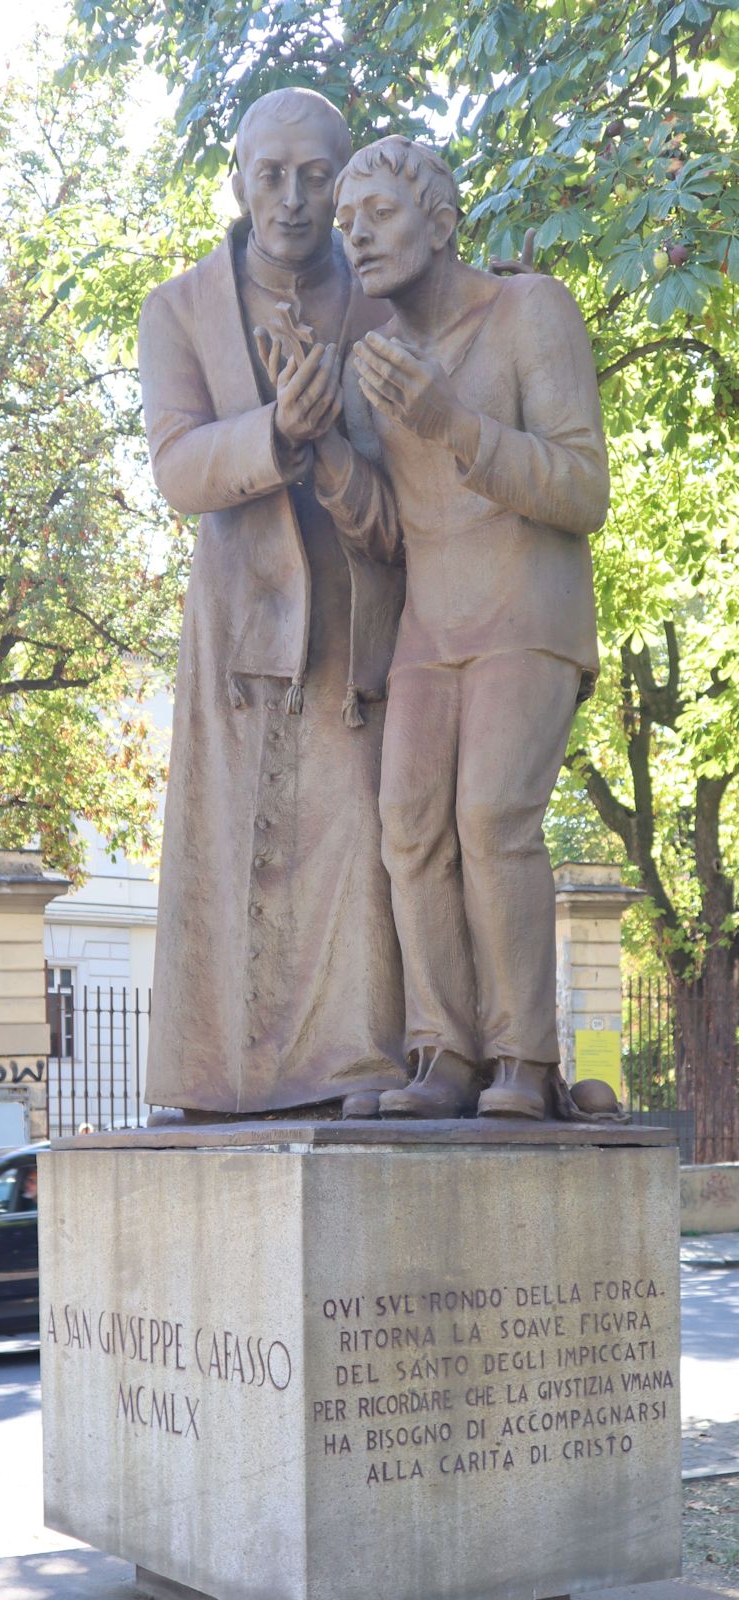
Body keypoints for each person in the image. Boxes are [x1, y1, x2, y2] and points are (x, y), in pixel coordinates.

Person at [315, 137, 609, 1120]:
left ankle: (523, 1057)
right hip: (428, 621)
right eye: (344, 223)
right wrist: (312, 434)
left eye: (378, 215)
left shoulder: (533, 311)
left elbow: (580, 487)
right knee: (407, 827)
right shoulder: (372, 364)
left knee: (489, 816)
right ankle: (444, 1053)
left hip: (527, 604)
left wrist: (457, 425)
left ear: (440, 223)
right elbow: (385, 525)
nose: (354, 235)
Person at [138, 91, 406, 1121]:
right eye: (272, 174)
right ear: (239, 179)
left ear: (342, 188)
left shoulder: (387, 299)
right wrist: (273, 431)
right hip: (238, 623)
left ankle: (355, 1063)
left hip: (354, 613)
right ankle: (214, 1077)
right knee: (223, 842)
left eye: (315, 177)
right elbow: (177, 464)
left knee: (356, 838)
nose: (292, 199)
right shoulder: (179, 308)